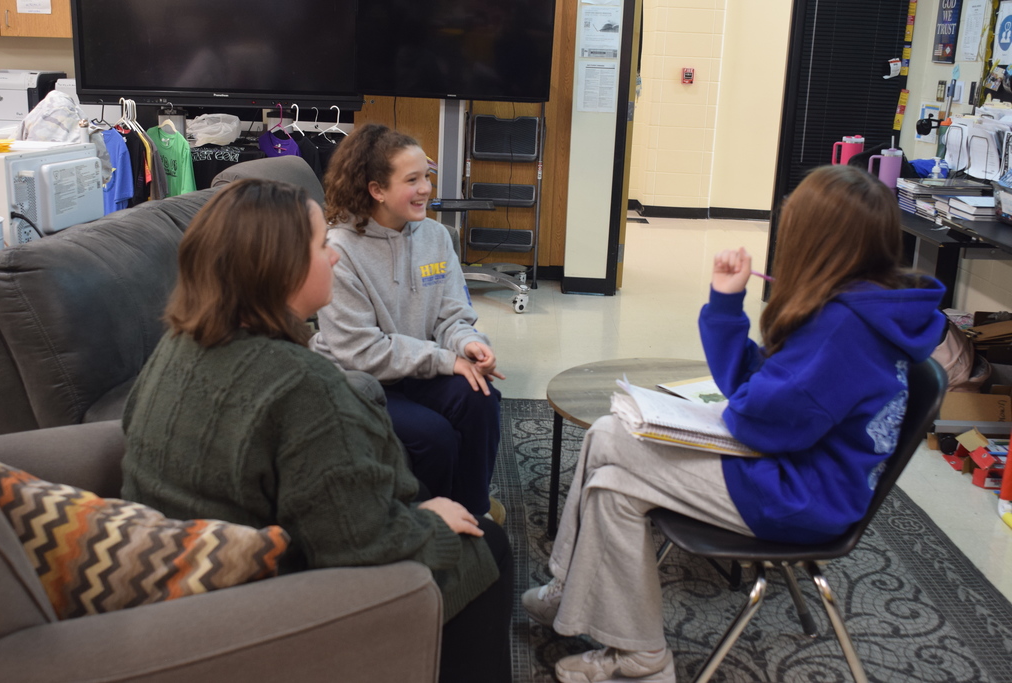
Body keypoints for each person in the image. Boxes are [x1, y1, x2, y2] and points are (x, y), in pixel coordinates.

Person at [521, 165, 947, 683]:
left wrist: (741, 386)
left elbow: (754, 420)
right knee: (612, 486)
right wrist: (726, 302)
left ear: (812, 241)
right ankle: (635, 653)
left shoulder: (844, 330)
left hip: (801, 497)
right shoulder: (856, 304)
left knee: (611, 433)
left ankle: (586, 605)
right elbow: (753, 386)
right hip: (795, 470)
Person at [121, 178, 512, 683]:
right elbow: (357, 544)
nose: (334, 257)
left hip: (179, 578)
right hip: (258, 606)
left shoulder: (176, 345)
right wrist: (431, 524)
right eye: (321, 246)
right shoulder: (302, 388)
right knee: (488, 546)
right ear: (278, 269)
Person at [309, 124, 504, 519]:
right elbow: (361, 351)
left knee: (480, 397)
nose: (426, 188)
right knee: (434, 438)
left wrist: (468, 344)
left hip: (414, 368)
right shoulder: (338, 251)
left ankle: (474, 513)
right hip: (358, 380)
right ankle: (428, 525)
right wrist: (446, 360)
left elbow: (453, 314)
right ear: (377, 189)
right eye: (412, 179)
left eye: (427, 177)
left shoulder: (436, 236)